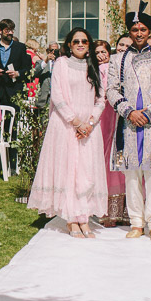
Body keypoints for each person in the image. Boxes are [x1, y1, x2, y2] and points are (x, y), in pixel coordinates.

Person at [28, 28, 108, 238]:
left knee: (86, 172)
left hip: (89, 128)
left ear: (89, 44)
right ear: (70, 45)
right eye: (76, 41)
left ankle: (84, 217)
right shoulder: (62, 64)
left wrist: (90, 122)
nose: (80, 44)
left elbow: (101, 99)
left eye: (84, 41)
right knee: (69, 171)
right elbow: (57, 95)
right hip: (66, 125)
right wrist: (75, 122)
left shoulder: (95, 67)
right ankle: (72, 219)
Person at [107, 1, 151, 242]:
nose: (139, 34)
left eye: (143, 29)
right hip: (128, 123)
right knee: (132, 173)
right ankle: (136, 221)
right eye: (134, 30)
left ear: (149, 32)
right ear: (129, 32)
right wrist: (128, 111)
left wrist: (150, 112)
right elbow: (111, 90)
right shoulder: (117, 60)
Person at [96, 40, 128, 227]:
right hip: (103, 116)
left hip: (115, 112)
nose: (101, 55)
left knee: (117, 155)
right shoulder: (96, 70)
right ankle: (108, 211)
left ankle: (121, 211)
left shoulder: (114, 68)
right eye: (98, 52)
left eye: (104, 51)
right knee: (106, 157)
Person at [0, 19, 32, 109]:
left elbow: (28, 70)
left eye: (12, 30)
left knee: (13, 121)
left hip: (15, 92)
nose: (10, 33)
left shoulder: (20, 47)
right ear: (0, 30)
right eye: (7, 30)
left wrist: (17, 73)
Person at [35, 43, 59, 114]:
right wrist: (46, 60)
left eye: (56, 50)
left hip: (57, 99)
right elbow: (34, 74)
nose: (53, 52)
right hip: (43, 99)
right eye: (51, 50)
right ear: (47, 51)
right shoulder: (41, 63)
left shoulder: (61, 63)